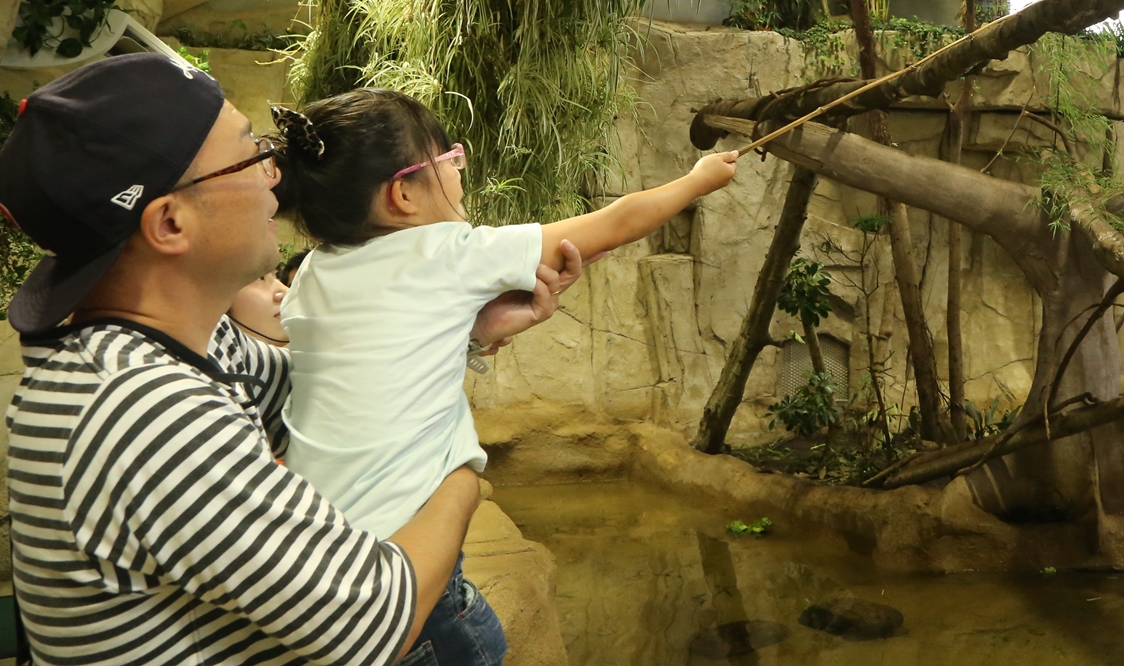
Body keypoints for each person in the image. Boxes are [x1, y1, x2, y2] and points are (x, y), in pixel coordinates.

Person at [0, 54, 576, 665]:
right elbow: (375, 621)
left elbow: (338, 393)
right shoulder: (140, 409)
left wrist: (463, 331)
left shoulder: (176, 349)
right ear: (171, 222)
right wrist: (461, 475)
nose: (276, 178)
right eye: (251, 158)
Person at [270, 88, 738, 666]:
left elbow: (379, 351)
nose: (459, 172)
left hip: (321, 552)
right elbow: (614, 224)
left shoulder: (312, 273)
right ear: (404, 193)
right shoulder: (445, 251)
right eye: (451, 160)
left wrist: (473, 331)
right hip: (411, 572)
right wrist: (698, 180)